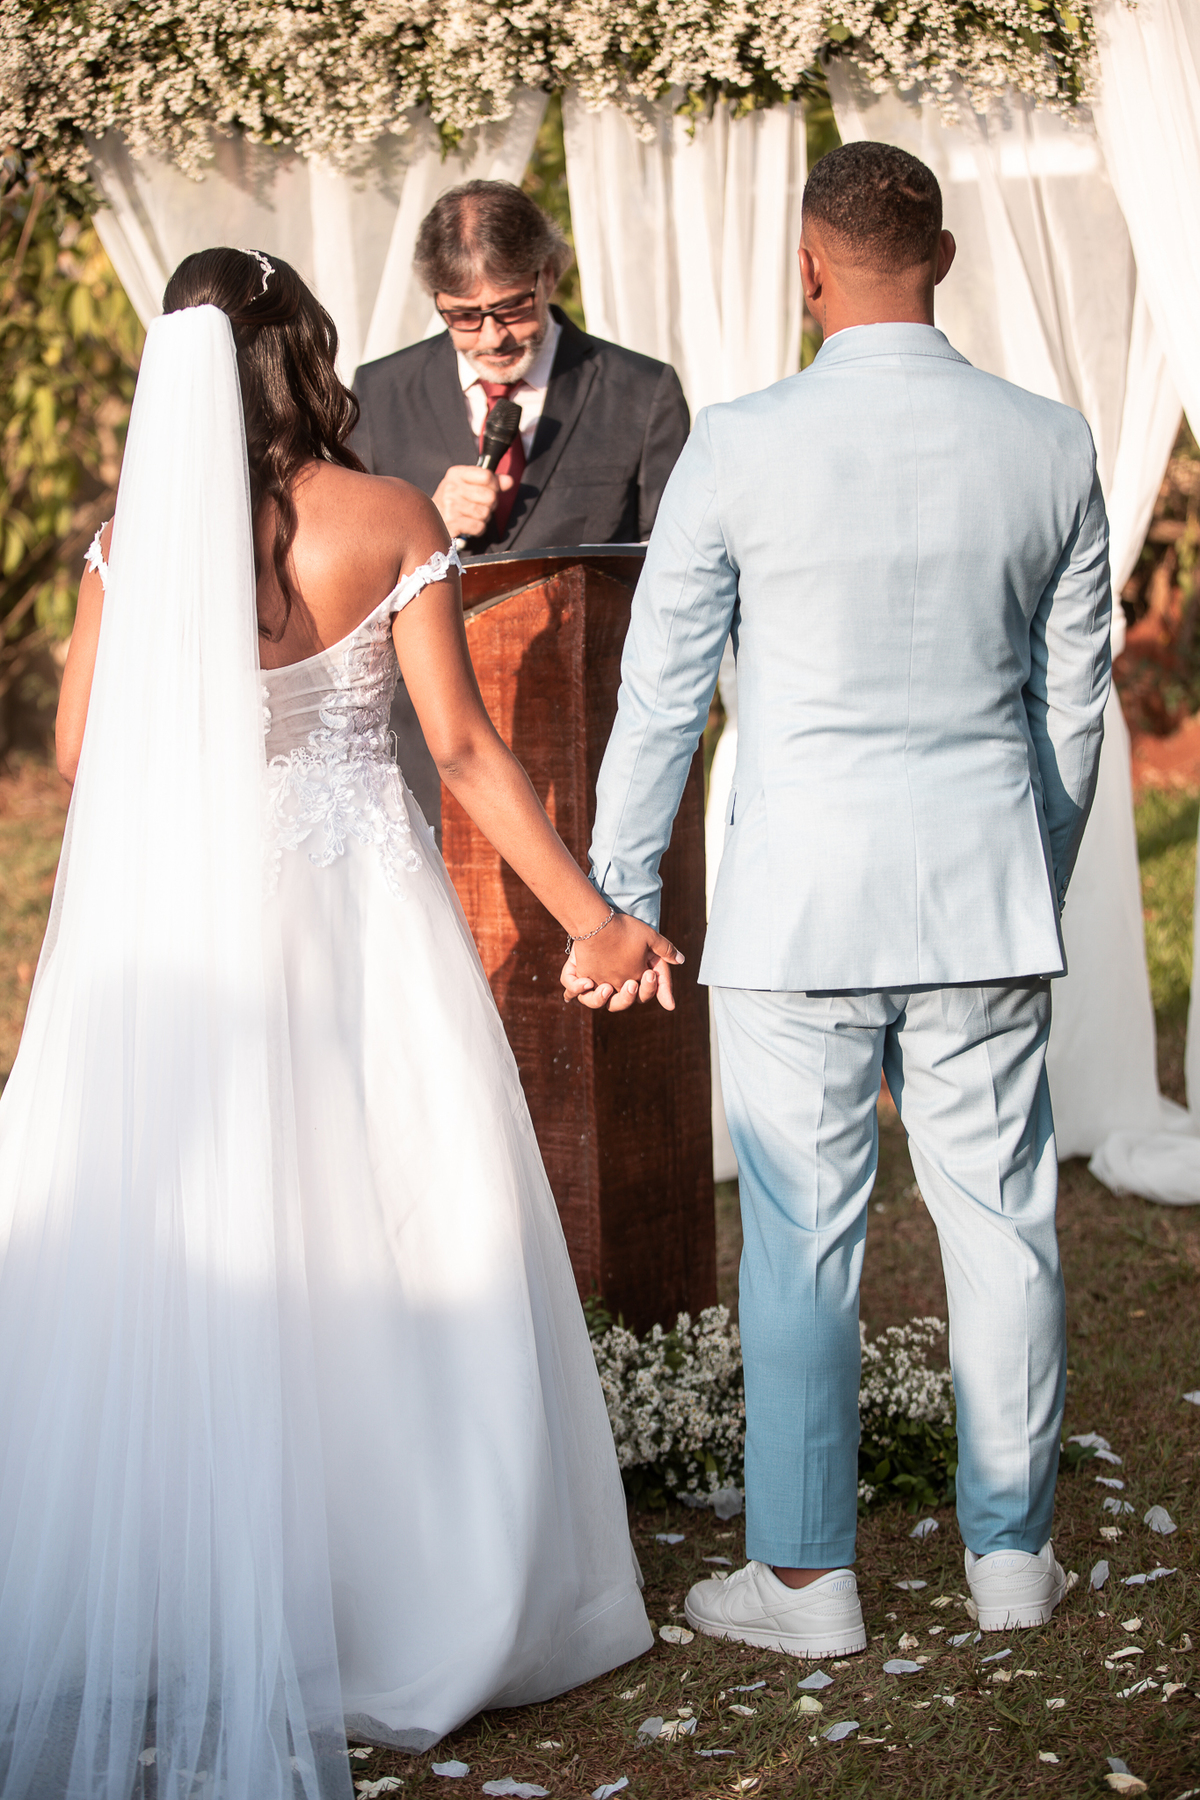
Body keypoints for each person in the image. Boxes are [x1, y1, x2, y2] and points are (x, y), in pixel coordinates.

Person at [0, 249, 675, 1800]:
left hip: (187, 938)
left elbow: (81, 747)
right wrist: (594, 919)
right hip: (360, 931)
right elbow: (466, 751)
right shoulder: (385, 520)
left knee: (197, 1235)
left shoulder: (132, 544)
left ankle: (197, 1591)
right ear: (305, 355)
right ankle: (411, 1600)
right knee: (391, 1228)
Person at [565, 142, 1112, 1656]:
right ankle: (1013, 1561)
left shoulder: (738, 447)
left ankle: (808, 1584)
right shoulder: (1052, 443)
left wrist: (621, 892)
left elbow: (662, 694)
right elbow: (1073, 707)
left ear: (808, 268)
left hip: (798, 908)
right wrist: (1029, 870)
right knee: (1002, 1224)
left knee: (801, 1238)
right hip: (982, 895)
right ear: (945, 258)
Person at [351, 179, 691, 833]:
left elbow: (677, 580)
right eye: (463, 317)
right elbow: (343, 583)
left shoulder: (640, 391)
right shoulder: (379, 393)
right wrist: (424, 524)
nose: (492, 337)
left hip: (587, 750)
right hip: (425, 760)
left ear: (548, 274)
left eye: (511, 307)